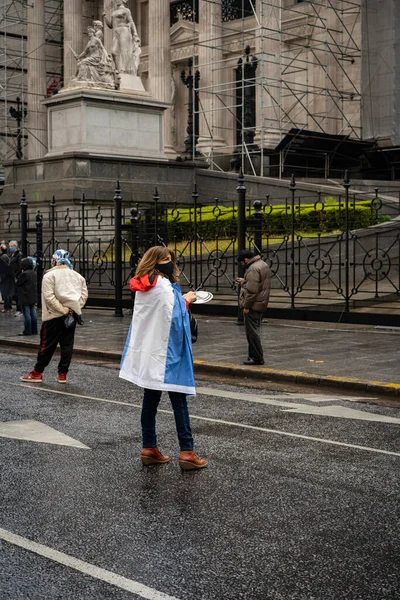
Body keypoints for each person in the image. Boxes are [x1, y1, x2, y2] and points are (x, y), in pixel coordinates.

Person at [119, 246, 207, 471]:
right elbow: (176, 317)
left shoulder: (143, 285)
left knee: (150, 400)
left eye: (171, 259)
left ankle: (149, 447)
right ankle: (187, 451)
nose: (170, 263)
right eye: (165, 259)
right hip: (169, 355)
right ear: (155, 262)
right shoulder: (164, 286)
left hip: (151, 354)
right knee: (179, 400)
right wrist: (187, 298)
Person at [20, 250, 88, 384]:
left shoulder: (49, 276)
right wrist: (72, 308)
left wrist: (62, 310)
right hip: (71, 315)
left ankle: (37, 372)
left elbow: (49, 297)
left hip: (53, 316)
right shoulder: (78, 276)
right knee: (67, 344)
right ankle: (62, 374)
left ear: (55, 260)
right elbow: (84, 295)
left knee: (47, 345)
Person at [236, 250, 271, 366]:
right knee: (254, 330)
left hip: (253, 305)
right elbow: (258, 285)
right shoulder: (262, 264)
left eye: (242, 263)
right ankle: (253, 356)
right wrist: (244, 282)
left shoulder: (252, 269)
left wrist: (246, 306)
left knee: (252, 333)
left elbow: (252, 291)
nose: (242, 265)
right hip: (261, 303)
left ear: (246, 259)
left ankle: (257, 357)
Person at [103, 0, 141, 75]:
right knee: (114, 51)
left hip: (124, 30)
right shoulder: (114, 12)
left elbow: (131, 22)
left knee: (124, 51)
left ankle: (124, 71)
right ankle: (119, 69)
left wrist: (135, 34)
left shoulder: (126, 10)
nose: (116, 1)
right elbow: (111, 25)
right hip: (116, 32)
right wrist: (105, 17)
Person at [15, 257, 38, 336]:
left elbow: (18, 283)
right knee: (33, 313)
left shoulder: (24, 274)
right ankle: (34, 330)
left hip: (25, 296)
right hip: (33, 296)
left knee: (27, 314)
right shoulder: (33, 273)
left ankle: (27, 330)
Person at [8, 240, 22, 315]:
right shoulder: (11, 255)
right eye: (10, 246)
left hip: (16, 277)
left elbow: (20, 267)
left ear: (15, 247)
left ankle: (19, 309)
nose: (10, 248)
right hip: (11, 277)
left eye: (12, 246)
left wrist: (16, 275)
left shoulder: (18, 255)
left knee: (17, 293)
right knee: (14, 293)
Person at [0, 242, 13, 312]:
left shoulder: (2, 257)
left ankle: (6, 307)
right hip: (8, 277)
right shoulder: (7, 256)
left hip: (4, 277)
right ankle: (9, 307)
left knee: (5, 293)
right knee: (8, 293)